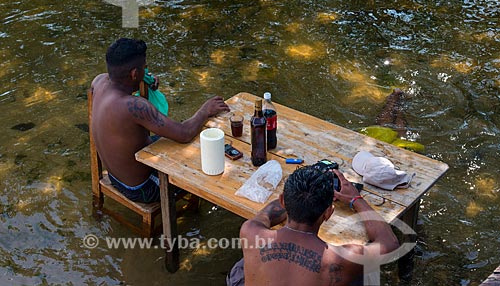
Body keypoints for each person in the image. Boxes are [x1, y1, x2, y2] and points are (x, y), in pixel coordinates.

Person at [91, 38, 229, 203]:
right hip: (142, 189)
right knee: (198, 154)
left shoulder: (98, 82)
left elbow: (121, 82)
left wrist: (145, 79)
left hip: (115, 176)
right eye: (144, 67)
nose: (146, 70)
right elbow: (184, 133)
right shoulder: (134, 106)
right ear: (134, 73)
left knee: (174, 140)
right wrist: (205, 110)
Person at [227, 166, 399, 286]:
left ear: (283, 201)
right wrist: (355, 199)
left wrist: (296, 198)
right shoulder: (343, 258)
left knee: (244, 264)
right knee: (358, 276)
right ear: (329, 213)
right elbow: (389, 243)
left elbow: (268, 213)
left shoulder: (250, 232)